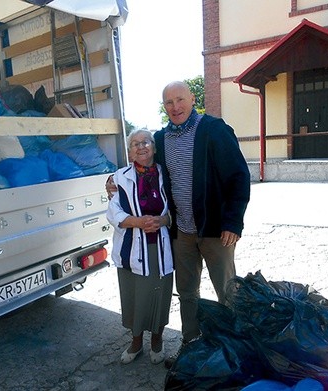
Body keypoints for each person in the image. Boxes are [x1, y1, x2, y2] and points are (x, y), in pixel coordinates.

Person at [107, 81, 251, 368]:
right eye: (169, 103)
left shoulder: (214, 130)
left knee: (226, 291)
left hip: (215, 231)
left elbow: (239, 176)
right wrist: (112, 181)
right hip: (181, 233)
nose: (175, 107)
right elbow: (142, 164)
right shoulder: (161, 139)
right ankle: (191, 344)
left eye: (180, 100)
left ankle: (236, 351)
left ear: (192, 98)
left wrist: (233, 222)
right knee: (187, 292)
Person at [106, 129, 174, 365]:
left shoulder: (167, 174)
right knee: (133, 296)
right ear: (129, 152)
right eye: (134, 144)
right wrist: (138, 222)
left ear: (154, 148)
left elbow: (177, 208)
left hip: (160, 248)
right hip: (131, 248)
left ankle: (157, 339)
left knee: (159, 294)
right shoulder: (120, 177)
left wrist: (162, 220)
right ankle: (136, 342)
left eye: (145, 142)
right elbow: (113, 212)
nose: (141, 146)